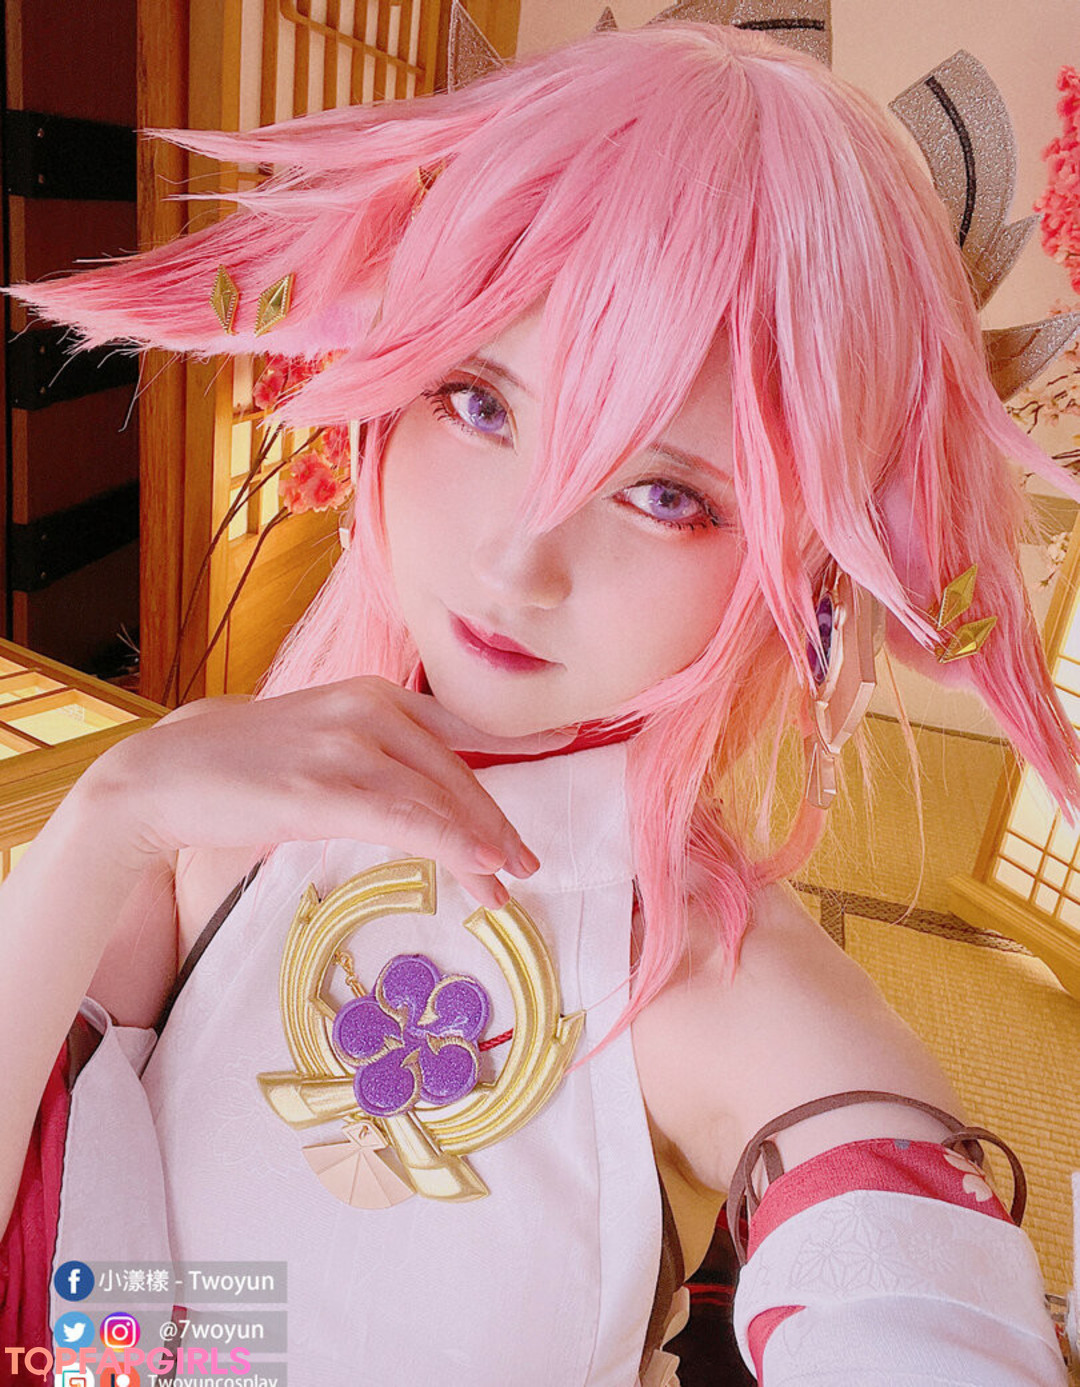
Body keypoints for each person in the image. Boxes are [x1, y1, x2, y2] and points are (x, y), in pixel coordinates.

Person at [1, 14, 1076, 1386]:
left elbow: (906, 1299)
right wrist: (108, 814)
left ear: (802, 569)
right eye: (480, 402)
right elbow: (89, 1312)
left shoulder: (702, 973)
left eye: (666, 493)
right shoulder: (208, 825)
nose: (520, 560)